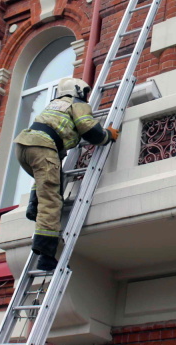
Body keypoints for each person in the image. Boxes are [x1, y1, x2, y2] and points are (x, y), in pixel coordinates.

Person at [14, 77, 118, 273]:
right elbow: (89, 129)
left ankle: (34, 207)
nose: (87, 96)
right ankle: (45, 256)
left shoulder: (55, 105)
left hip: (24, 146)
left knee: (48, 181)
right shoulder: (77, 103)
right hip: (42, 147)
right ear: (77, 90)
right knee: (52, 200)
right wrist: (107, 135)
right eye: (85, 92)